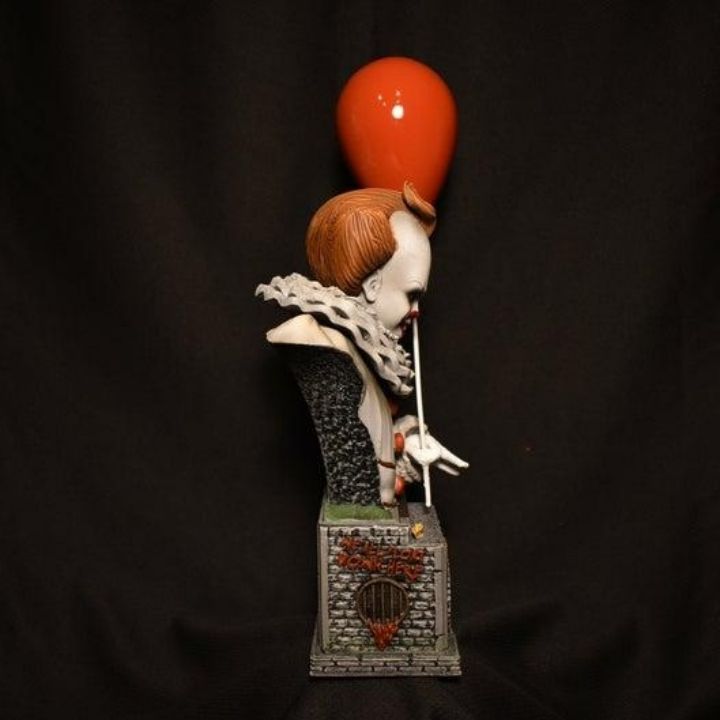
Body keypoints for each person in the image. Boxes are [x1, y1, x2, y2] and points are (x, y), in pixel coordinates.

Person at [257, 182, 467, 507]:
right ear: (372, 286)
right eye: (411, 294)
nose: (416, 311)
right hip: (361, 523)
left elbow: (373, 440)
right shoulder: (323, 346)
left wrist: (407, 442)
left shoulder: (366, 355)